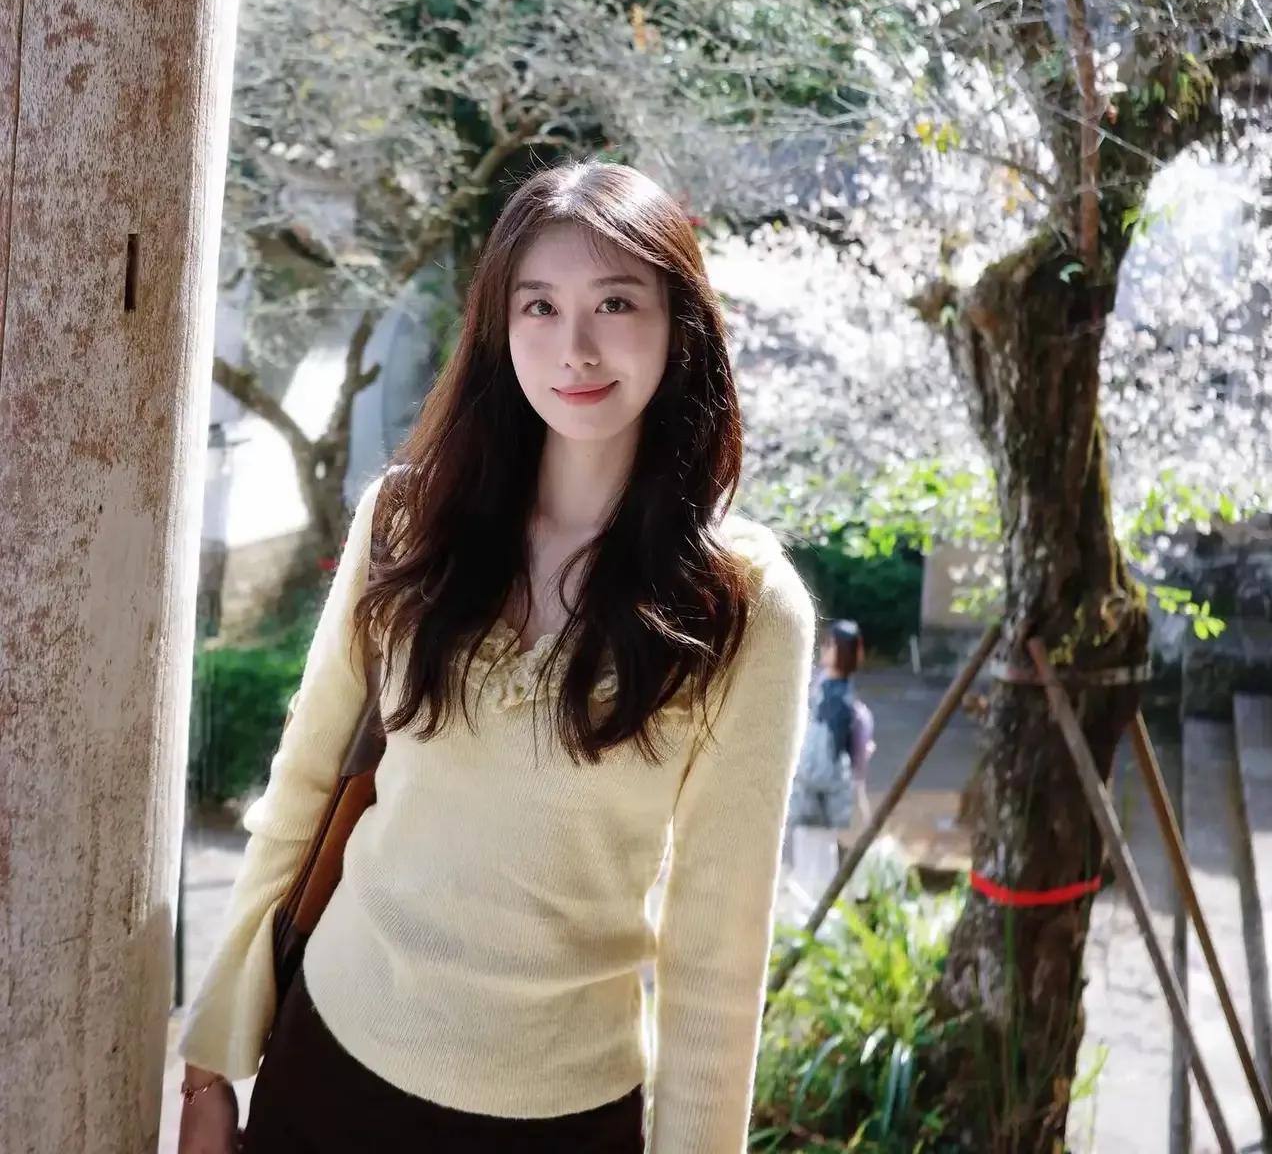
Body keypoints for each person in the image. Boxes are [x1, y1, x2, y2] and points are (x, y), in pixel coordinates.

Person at [178, 161, 815, 1154]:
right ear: (499, 327)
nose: (575, 347)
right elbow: (302, 784)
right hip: (330, 1064)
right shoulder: (409, 521)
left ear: (678, 324)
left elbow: (717, 951)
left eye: (615, 303)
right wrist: (209, 1063)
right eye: (540, 306)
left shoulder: (743, 606)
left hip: (561, 1117)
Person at [784, 619, 875, 862]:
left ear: (843, 651)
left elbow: (827, 756)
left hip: (819, 790)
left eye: (831, 644)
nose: (824, 648)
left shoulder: (838, 700)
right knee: (815, 853)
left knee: (815, 858)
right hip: (816, 788)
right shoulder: (827, 688)